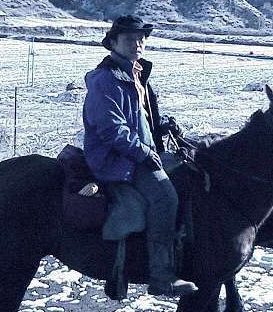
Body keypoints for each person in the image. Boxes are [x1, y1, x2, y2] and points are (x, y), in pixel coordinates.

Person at [82, 15, 197, 297]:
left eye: (140, 39)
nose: (137, 44)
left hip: (137, 150)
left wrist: (162, 126)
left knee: (190, 174)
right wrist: (144, 153)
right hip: (115, 158)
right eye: (129, 39)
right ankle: (161, 277)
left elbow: (140, 119)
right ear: (113, 43)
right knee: (165, 197)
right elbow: (110, 128)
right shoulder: (105, 79)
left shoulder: (135, 74)